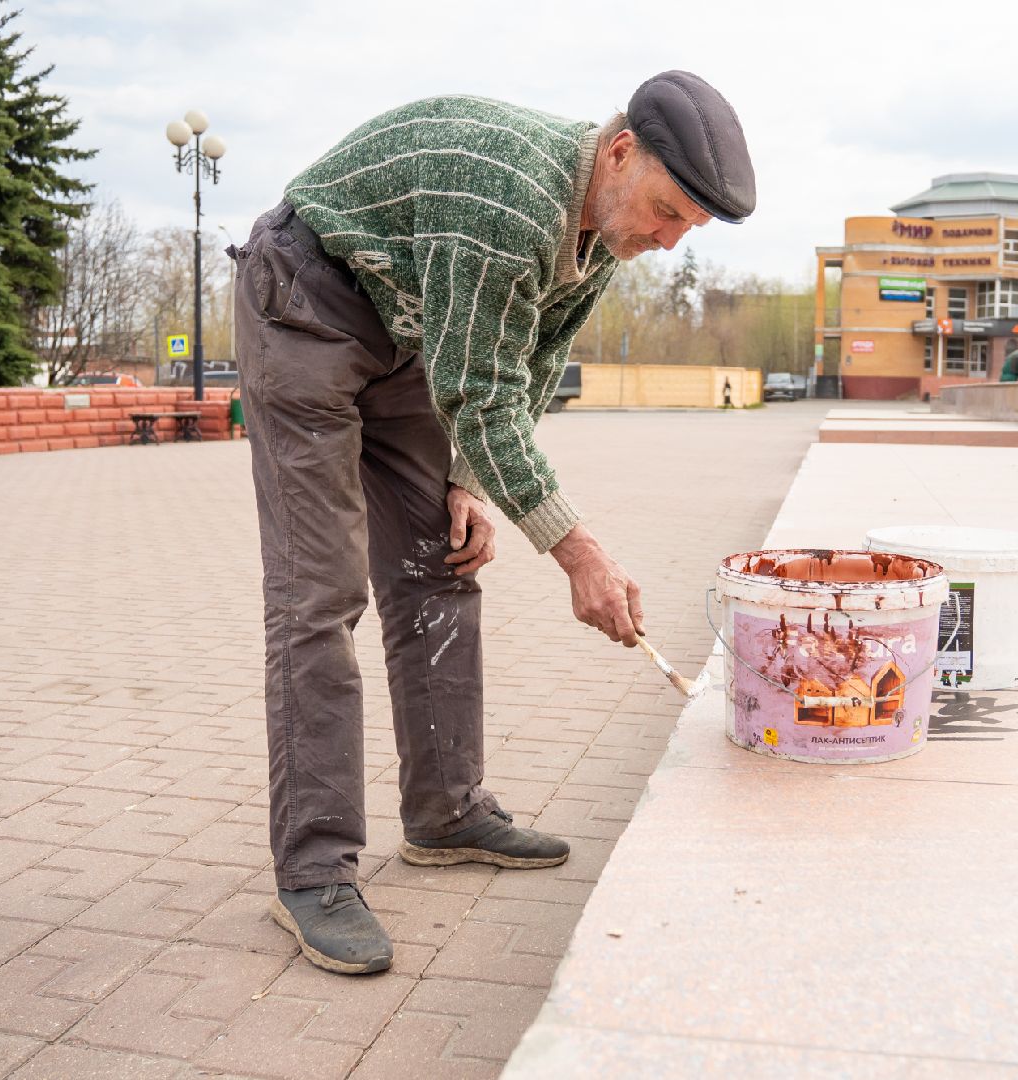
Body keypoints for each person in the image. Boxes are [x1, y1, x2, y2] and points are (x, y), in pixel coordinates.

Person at [228, 73, 755, 976]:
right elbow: (479, 390)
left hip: (408, 329)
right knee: (320, 594)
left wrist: (468, 481)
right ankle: (313, 872)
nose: (666, 241)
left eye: (687, 231)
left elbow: (527, 371)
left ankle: (445, 814)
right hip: (306, 303)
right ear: (619, 152)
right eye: (667, 211)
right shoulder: (509, 200)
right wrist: (578, 550)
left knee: (443, 557)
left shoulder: (596, 239)